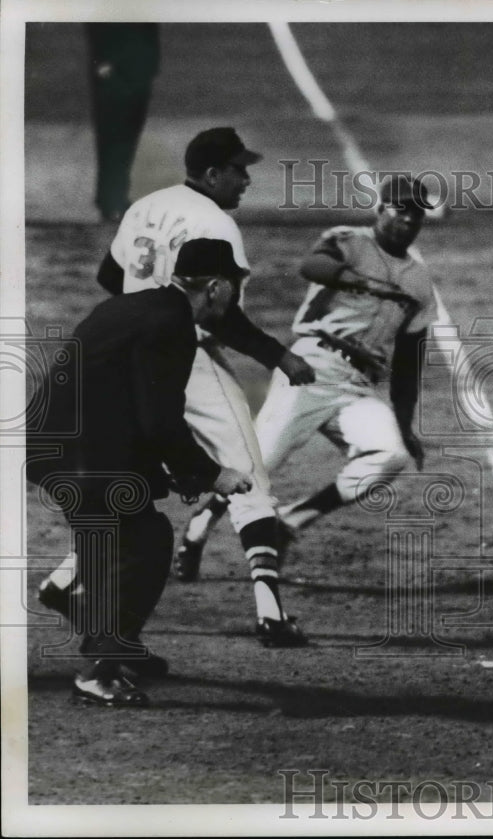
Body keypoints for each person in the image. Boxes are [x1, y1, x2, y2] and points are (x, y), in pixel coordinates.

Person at [36, 127, 315, 648]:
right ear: (212, 174)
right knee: (247, 474)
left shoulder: (148, 204)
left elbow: (108, 276)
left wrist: (147, 313)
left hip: (128, 361)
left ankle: (63, 581)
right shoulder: (215, 225)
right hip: (189, 356)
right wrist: (280, 355)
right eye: (239, 169)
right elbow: (223, 315)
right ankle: (271, 612)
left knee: (128, 484)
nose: (247, 179)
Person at [27, 239, 253, 707]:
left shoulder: (132, 306)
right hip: (86, 450)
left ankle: (107, 637)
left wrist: (161, 473)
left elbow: (126, 401)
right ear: (214, 287)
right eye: (233, 286)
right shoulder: (174, 326)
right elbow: (158, 420)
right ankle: (100, 670)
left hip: (56, 441)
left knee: (108, 532)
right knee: (146, 540)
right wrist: (212, 475)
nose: (234, 296)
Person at [172, 174, 435, 568]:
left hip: (359, 385)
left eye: (417, 213)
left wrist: (405, 425)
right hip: (313, 367)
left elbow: (410, 359)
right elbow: (313, 266)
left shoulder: (420, 282)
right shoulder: (349, 240)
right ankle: (200, 526)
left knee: (391, 455)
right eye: (401, 210)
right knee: (257, 466)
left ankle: (290, 522)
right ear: (380, 210)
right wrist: (367, 283)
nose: (409, 220)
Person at [85, 23, 160, 223]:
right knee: (112, 133)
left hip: (139, 66)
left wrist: (152, 62)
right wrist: (102, 59)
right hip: (113, 68)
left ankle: (116, 197)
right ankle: (110, 201)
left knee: (129, 133)